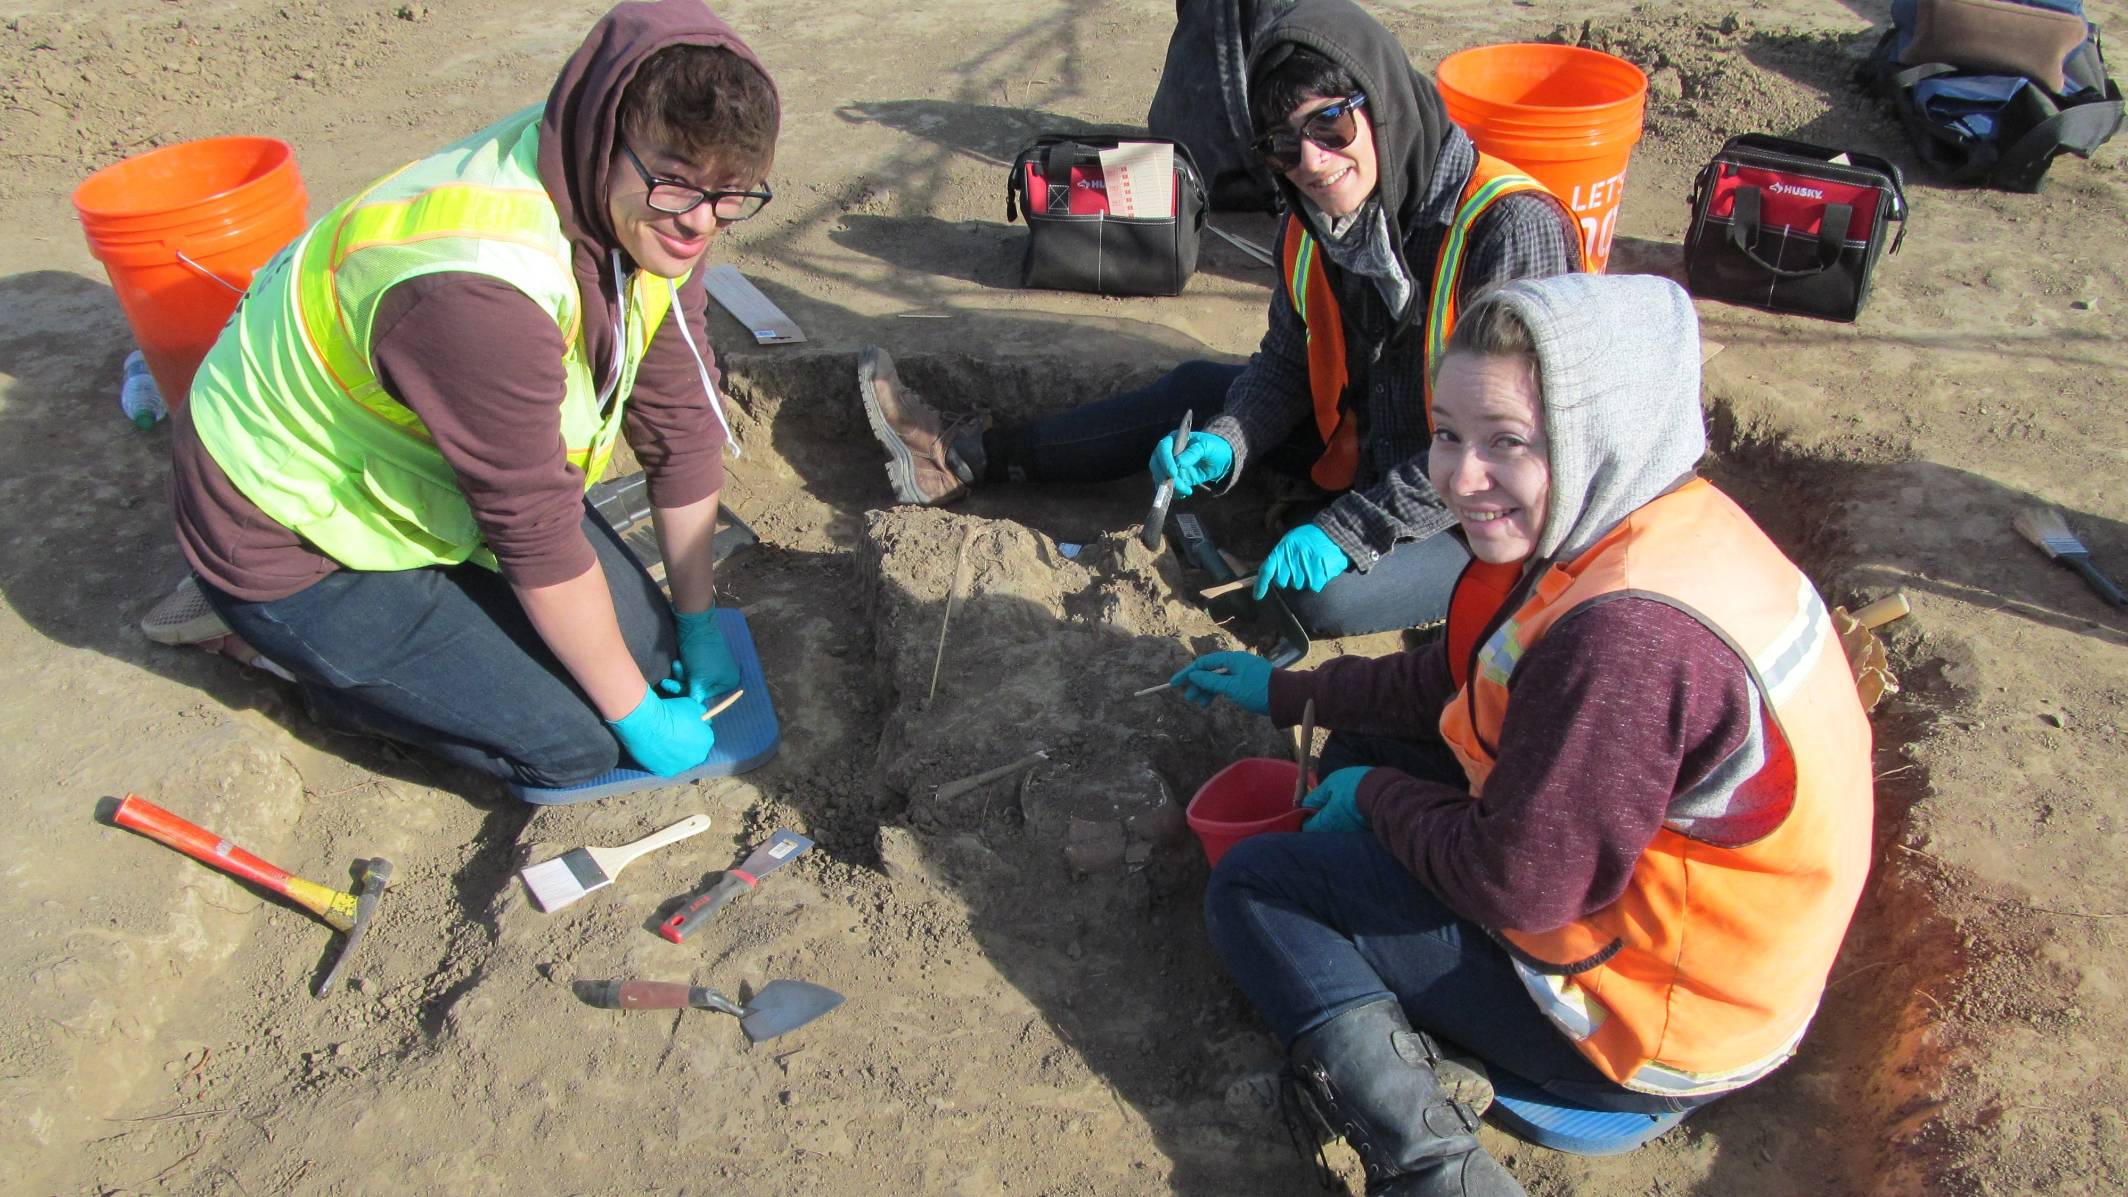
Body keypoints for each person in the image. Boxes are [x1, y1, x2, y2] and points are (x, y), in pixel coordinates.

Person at [1170, 274, 1875, 1196]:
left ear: (1591, 435)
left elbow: (1520, 882)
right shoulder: (1634, 518)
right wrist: (1294, 693)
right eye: (1448, 434)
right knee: (1358, 754)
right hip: (1674, 929)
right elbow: (1469, 673)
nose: (1459, 477)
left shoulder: (1629, 639)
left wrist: (1378, 804)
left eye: (1507, 442)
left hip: (1650, 1023)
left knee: (1258, 891)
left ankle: (1434, 1166)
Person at [156, 0, 778, 789]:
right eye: (677, 184)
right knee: (578, 745)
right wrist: (635, 718)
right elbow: (536, 534)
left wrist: (696, 621)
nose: (699, 223)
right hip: (289, 532)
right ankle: (276, 645)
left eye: (733, 195)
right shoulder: (479, 285)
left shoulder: (639, 205)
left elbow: (681, 424)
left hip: (432, 481)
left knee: (650, 660)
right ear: (606, 134)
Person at [859, 0, 1582, 638]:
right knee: (1199, 392)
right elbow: (1287, 363)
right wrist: (1230, 443)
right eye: (1283, 146)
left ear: (1382, 101)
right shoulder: (1318, 220)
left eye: (1330, 124)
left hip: (1482, 512)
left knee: (1315, 599)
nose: (1313, 162)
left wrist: (1351, 528)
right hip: (1369, 444)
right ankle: (962, 457)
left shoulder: (1506, 228)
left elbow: (1508, 455)